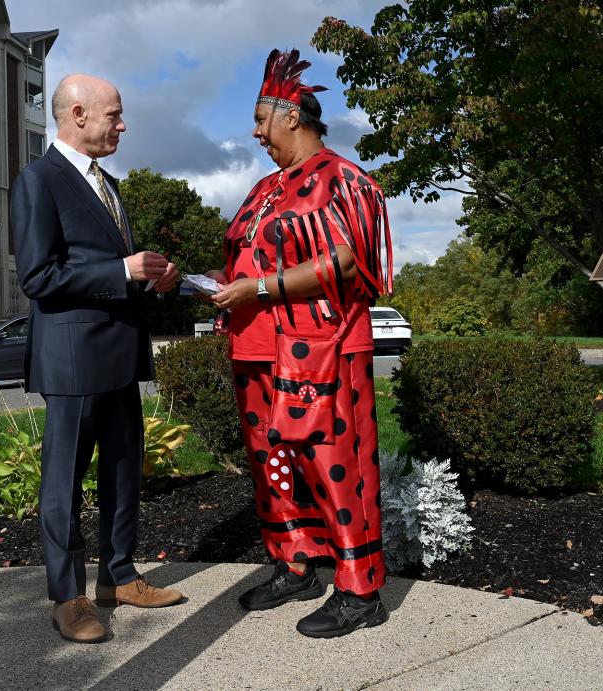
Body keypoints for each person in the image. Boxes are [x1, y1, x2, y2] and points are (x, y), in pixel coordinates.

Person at [209, 49, 394, 639]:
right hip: (256, 346)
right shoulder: (266, 187)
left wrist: (258, 286)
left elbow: (347, 260)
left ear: (292, 115)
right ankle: (295, 563)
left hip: (322, 345)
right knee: (272, 463)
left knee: (335, 465)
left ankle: (359, 589)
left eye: (262, 120)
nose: (257, 133)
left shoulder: (344, 180)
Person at [12, 74, 184, 644]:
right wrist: (121, 271)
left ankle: (119, 575)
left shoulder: (107, 182)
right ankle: (68, 598)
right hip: (72, 359)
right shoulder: (40, 180)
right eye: (115, 114)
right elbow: (38, 278)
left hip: (118, 356)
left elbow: (115, 270)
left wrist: (152, 280)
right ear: (78, 114)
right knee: (63, 482)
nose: (122, 123)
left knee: (121, 469)